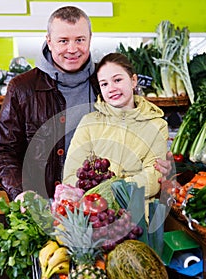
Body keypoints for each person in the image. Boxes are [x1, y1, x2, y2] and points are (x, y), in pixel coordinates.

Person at [0, 6, 172, 201]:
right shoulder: (23, 88)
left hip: (101, 207)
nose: (72, 49)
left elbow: (134, 130)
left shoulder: (102, 81)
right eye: (63, 41)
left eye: (80, 40)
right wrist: (20, 192)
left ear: (90, 39)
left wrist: (156, 164)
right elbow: (3, 150)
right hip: (40, 203)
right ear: (49, 42)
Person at [63, 52, 168, 204]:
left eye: (117, 80)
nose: (111, 88)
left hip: (136, 216)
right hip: (92, 213)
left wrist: (110, 191)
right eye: (104, 84)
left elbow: (152, 179)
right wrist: (99, 197)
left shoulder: (157, 125)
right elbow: (72, 173)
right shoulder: (89, 123)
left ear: (133, 81)